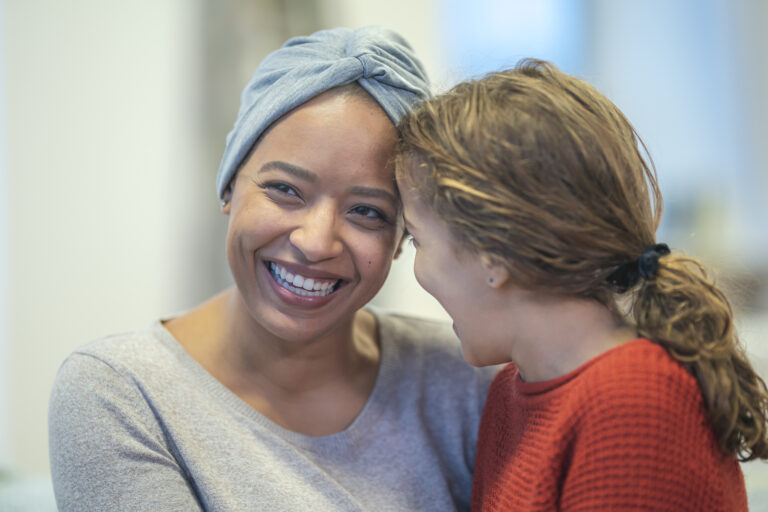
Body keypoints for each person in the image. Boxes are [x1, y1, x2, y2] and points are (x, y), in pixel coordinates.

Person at [48, 26, 496, 512]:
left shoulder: (465, 383)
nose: (315, 242)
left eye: (367, 211)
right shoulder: (122, 394)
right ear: (229, 185)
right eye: (285, 190)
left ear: (402, 238)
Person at [396, 59, 768, 511]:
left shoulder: (633, 400)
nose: (414, 264)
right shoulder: (511, 393)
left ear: (493, 252)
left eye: (417, 238)